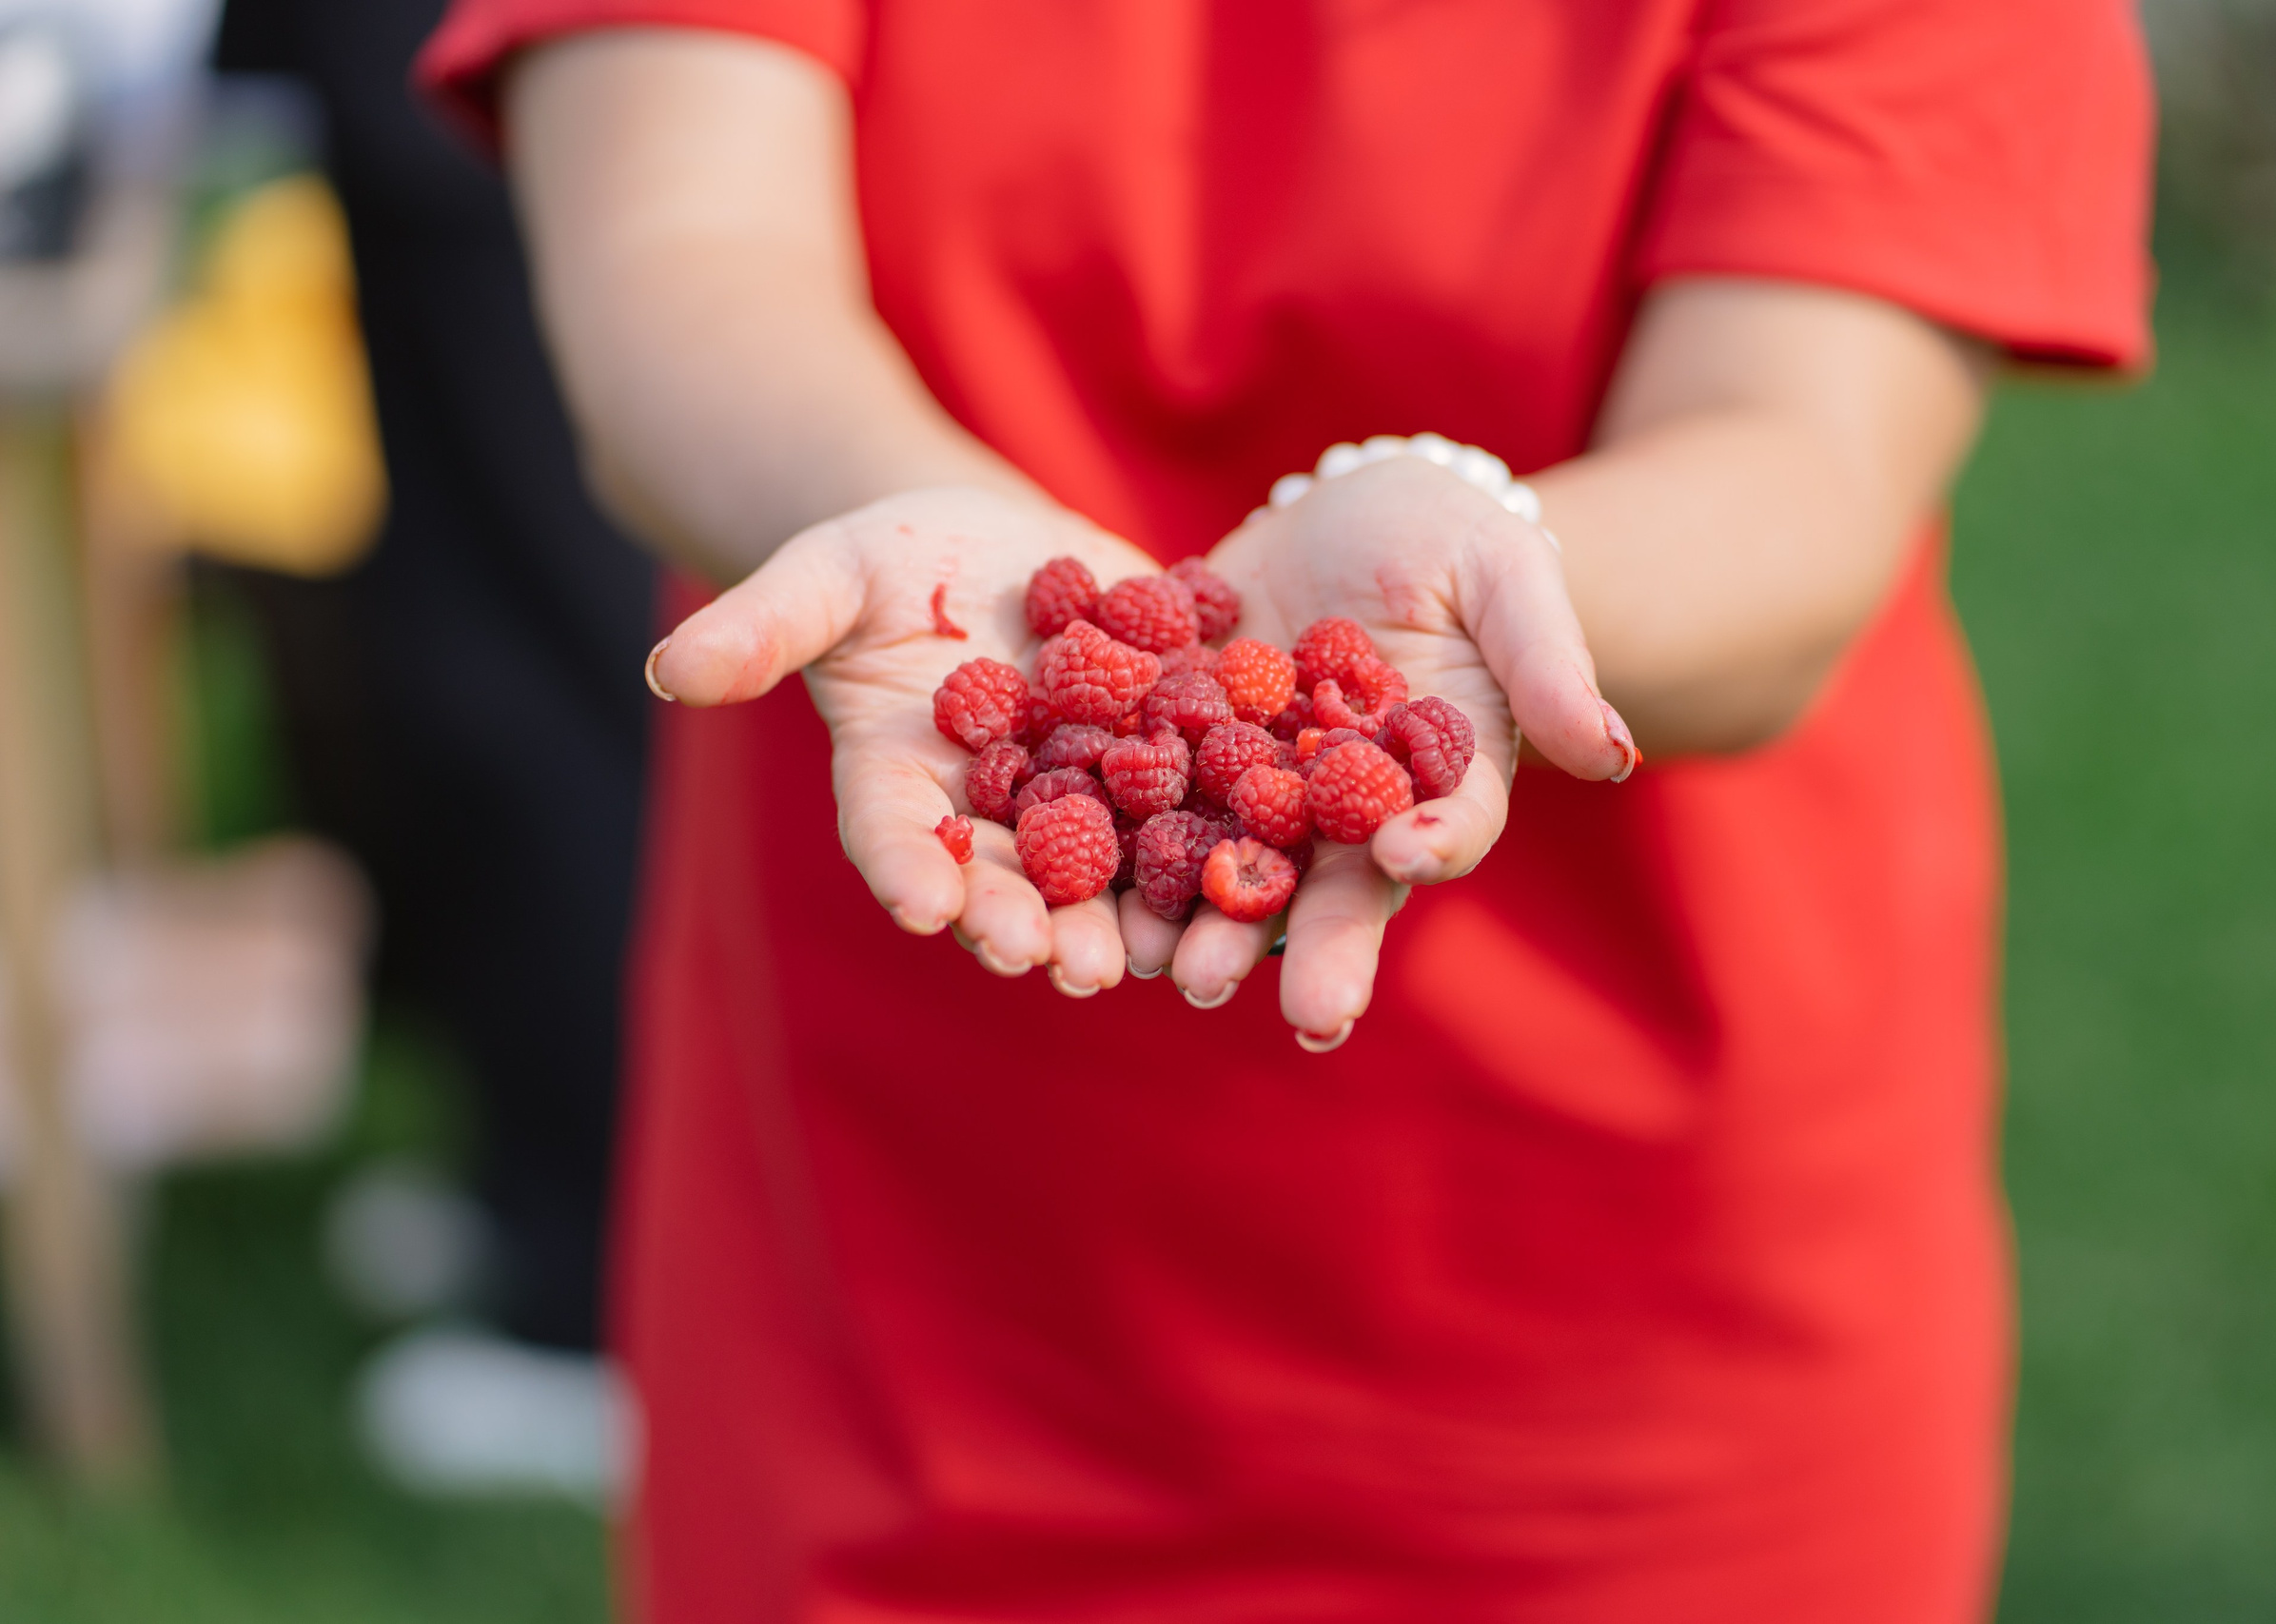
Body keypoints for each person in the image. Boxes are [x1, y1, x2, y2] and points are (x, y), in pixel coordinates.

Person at [419, 2, 2151, 1616]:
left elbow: (1807, 460)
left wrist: (1491, 569)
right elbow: (682, 255)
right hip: (902, 1258)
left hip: (1631, 1310)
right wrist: (908, 515)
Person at [215, 0, 653, 1489]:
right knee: (457, 622)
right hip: (421, 74)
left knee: (546, 642)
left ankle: (599, 1283)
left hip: (541, 75)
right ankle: (530, 1162)